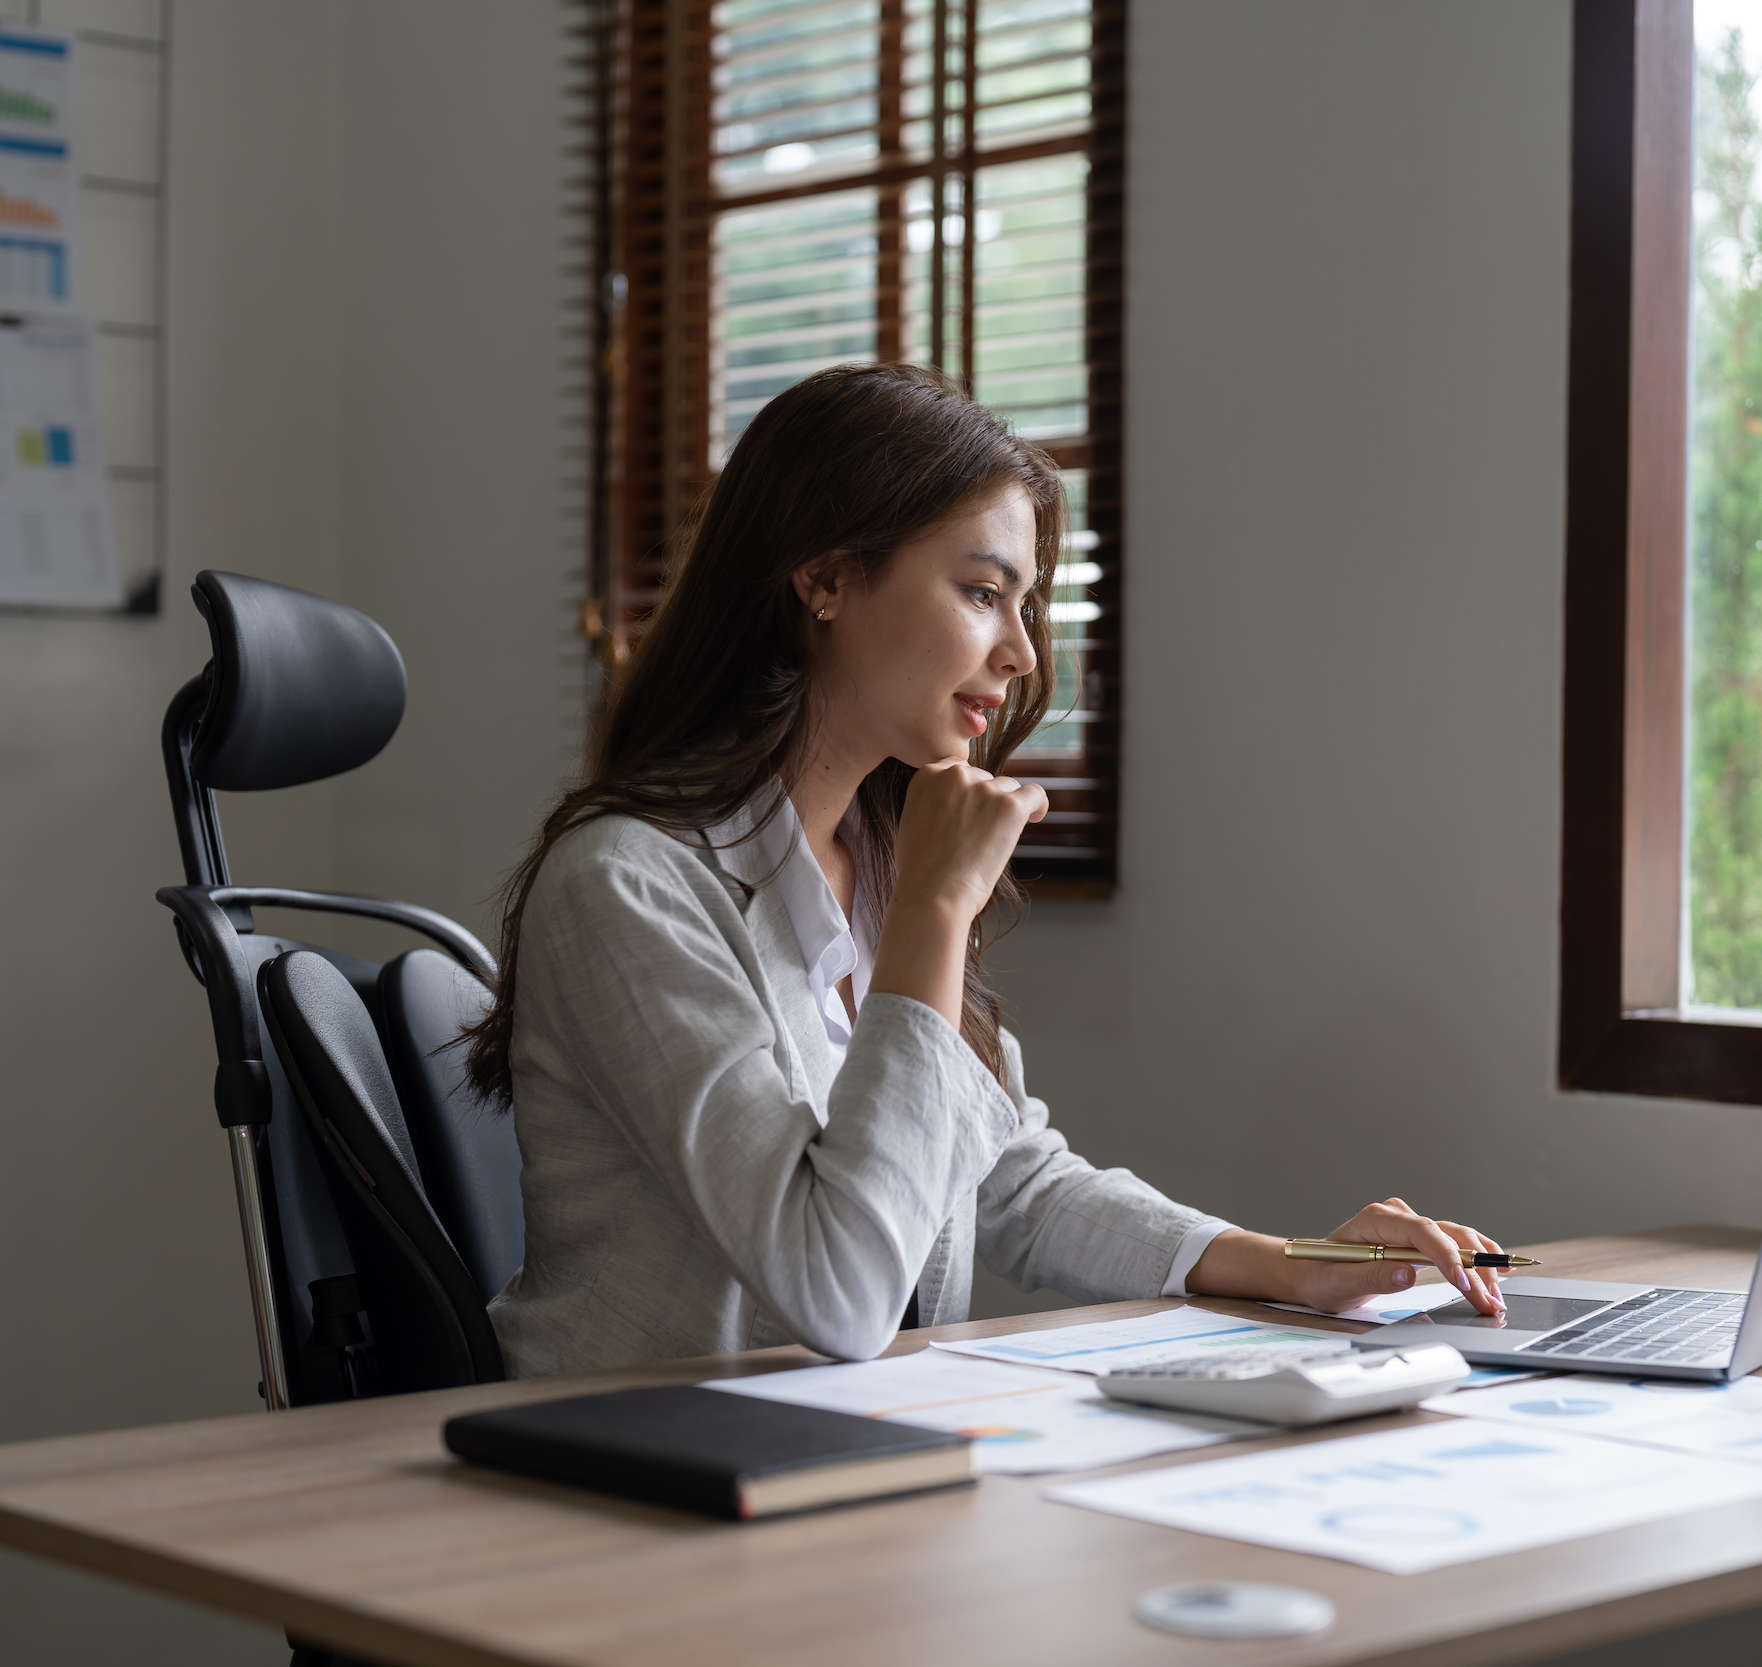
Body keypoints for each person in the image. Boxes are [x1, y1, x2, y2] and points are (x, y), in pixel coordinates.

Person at [465, 363, 1507, 1376]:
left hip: (844, 1458)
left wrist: (1293, 1265)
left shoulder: (878, 862)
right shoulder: (627, 885)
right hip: (628, 1478)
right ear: (823, 578)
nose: (1017, 652)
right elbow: (836, 1292)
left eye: (1025, 606)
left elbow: (1008, 1178)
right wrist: (934, 908)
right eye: (980, 591)